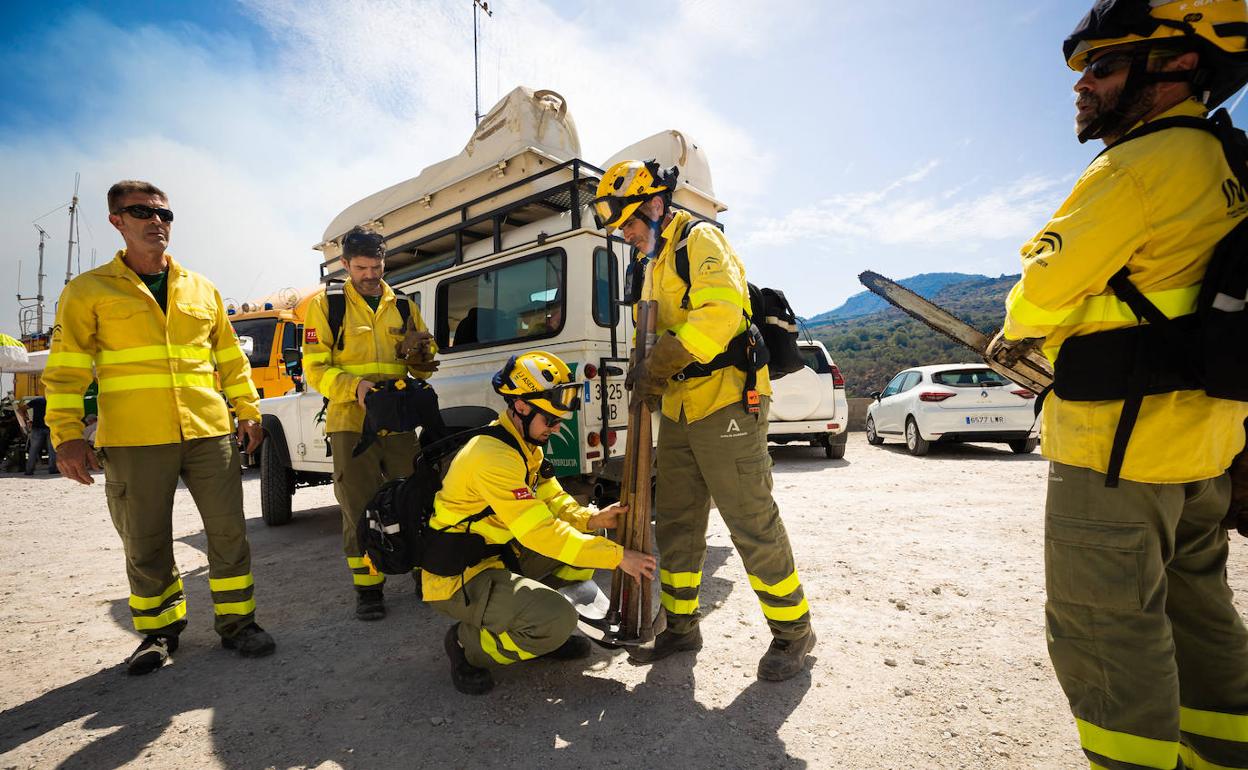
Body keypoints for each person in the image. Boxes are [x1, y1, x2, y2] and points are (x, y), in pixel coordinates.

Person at [993, 2, 1248, 766]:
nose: (1083, 85)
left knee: (1105, 632)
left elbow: (1035, 296)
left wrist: (1037, 309)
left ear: (1175, 67)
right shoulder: (1229, 162)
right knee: (1198, 616)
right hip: (1201, 447)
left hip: (1120, 453)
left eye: (1103, 67)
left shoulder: (1139, 165)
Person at [592, 160, 814, 681]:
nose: (625, 235)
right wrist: (641, 370)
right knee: (676, 523)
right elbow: (648, 334)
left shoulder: (700, 240)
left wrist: (660, 364)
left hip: (726, 404)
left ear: (653, 203)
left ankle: (793, 633)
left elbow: (718, 315)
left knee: (750, 521)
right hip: (679, 410)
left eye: (628, 222)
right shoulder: (651, 263)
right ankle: (682, 627)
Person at [42, 179, 275, 675]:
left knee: (229, 533)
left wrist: (248, 410)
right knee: (146, 540)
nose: (156, 222)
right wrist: (64, 434)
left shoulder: (201, 288)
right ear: (117, 221)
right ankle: (159, 634)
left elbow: (230, 359)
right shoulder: (88, 291)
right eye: (141, 212)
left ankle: (239, 624)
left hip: (208, 432)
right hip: (133, 438)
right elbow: (65, 370)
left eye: (164, 214)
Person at [424, 351, 656, 695]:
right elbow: (540, 533)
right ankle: (467, 645)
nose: (557, 427)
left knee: (579, 551)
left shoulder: (526, 447)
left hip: (497, 558)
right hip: (460, 577)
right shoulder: (492, 458)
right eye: (549, 420)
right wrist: (616, 556)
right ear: (519, 406)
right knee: (558, 617)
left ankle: (541, 634)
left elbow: (554, 500)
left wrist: (592, 518)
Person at [302, 226, 438, 620]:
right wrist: (354, 387)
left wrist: (422, 357)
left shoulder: (404, 306)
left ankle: (421, 575)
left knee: (415, 499)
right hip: (350, 422)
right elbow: (314, 368)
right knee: (358, 507)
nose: (370, 274)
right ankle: (369, 590)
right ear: (344, 264)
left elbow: (423, 370)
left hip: (398, 420)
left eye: (376, 266)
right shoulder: (327, 306)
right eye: (361, 267)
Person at [16, 396, 56, 475]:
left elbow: (20, 410)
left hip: (37, 428)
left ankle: (29, 470)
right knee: (52, 450)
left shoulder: (38, 400)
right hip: (51, 427)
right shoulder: (54, 400)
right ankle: (52, 469)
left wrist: (27, 420)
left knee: (33, 450)